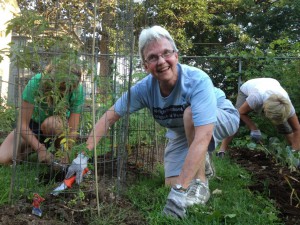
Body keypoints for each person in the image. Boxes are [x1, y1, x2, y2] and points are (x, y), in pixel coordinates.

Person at [65, 25, 239, 219]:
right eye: (153, 57)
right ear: (145, 65)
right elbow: (109, 117)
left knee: (190, 117)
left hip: (221, 117)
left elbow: (204, 134)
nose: (161, 61)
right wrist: (83, 155)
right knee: (171, 184)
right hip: (183, 131)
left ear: (177, 55)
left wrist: (180, 191)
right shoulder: (144, 89)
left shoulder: (196, 80)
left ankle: (201, 182)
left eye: (166, 53)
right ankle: (200, 161)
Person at [0, 61, 85, 165]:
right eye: (61, 87)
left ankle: (57, 152)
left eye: (68, 88)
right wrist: (40, 148)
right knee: (3, 158)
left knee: (52, 124)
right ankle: (34, 147)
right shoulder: (36, 82)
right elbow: (22, 125)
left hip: (57, 129)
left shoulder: (77, 89)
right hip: (32, 127)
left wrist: (66, 152)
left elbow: (73, 129)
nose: (64, 91)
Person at [217, 78, 300, 158]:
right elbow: (241, 112)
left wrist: (294, 153)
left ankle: (294, 155)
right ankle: (222, 150)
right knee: (236, 120)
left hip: (271, 85)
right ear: (265, 109)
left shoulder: (287, 107)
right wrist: (253, 128)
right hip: (248, 88)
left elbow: (297, 129)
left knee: (284, 126)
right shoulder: (256, 98)